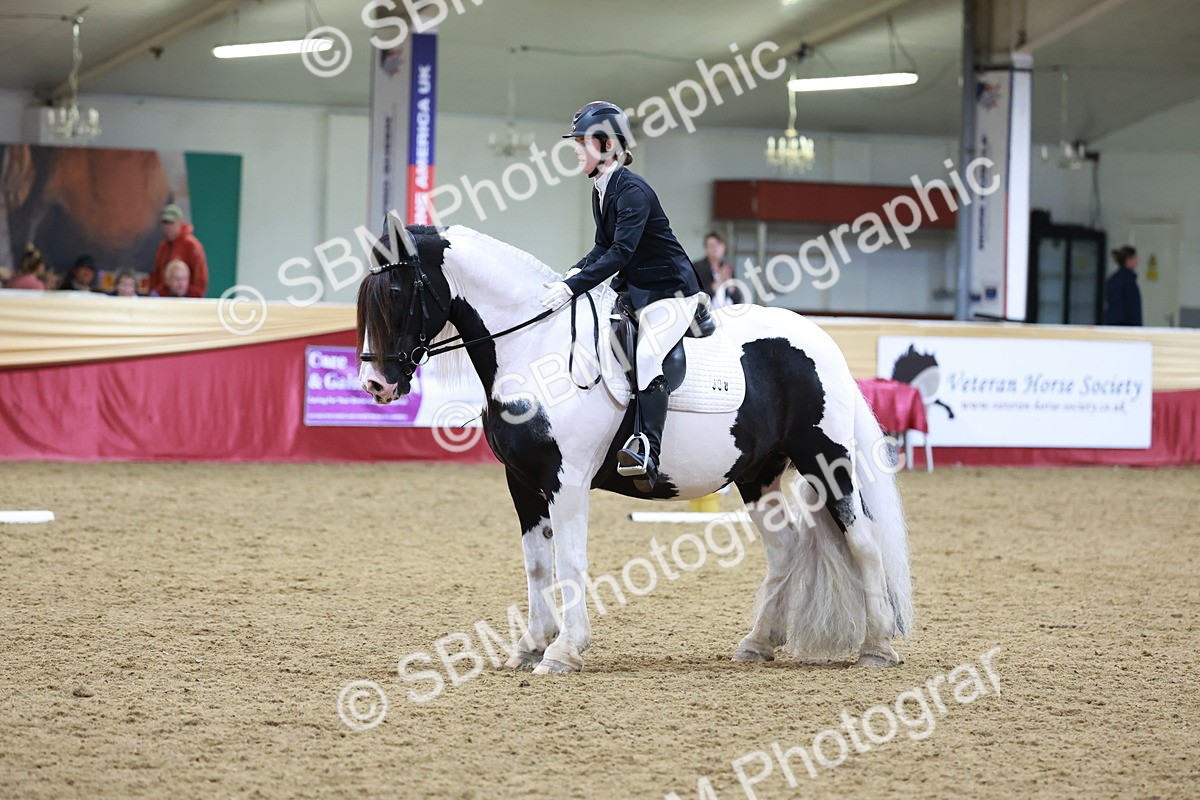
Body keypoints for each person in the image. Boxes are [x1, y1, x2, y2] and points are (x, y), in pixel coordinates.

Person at [539, 101, 705, 492]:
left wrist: (571, 289)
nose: (576, 149)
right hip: (634, 292)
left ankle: (647, 448)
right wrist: (570, 274)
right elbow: (602, 246)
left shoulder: (632, 191)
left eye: (582, 141)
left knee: (647, 354)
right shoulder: (601, 189)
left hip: (670, 291)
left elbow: (621, 253)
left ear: (608, 145)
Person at [149, 203, 208, 298]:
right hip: (163, 300)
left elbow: (200, 280)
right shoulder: (162, 246)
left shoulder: (191, 245)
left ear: (180, 223)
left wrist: (193, 299)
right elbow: (156, 273)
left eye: (171, 223)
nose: (168, 227)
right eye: (165, 223)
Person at [1103, 245, 1142, 326]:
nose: (1137, 260)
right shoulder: (1128, 281)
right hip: (1126, 324)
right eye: (1135, 257)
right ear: (1128, 260)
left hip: (1111, 322)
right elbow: (1132, 307)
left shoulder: (1113, 279)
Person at [691, 231, 727, 297]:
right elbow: (696, 296)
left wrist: (731, 287)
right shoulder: (698, 267)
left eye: (718, 244)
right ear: (706, 248)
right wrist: (716, 285)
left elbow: (737, 298)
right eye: (712, 245)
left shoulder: (727, 268)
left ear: (724, 247)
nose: (715, 248)